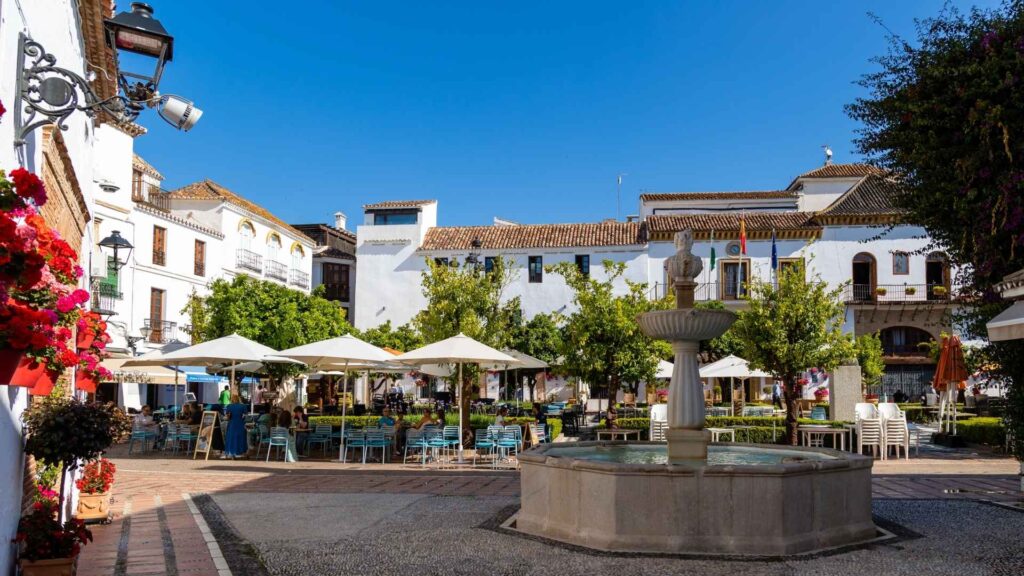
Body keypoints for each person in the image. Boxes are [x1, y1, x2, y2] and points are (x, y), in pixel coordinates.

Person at [222, 394, 248, 459]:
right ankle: (241, 451)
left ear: (232, 400)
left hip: (232, 423)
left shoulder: (229, 406)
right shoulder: (243, 406)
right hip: (240, 423)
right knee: (241, 437)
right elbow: (246, 415)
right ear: (238, 399)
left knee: (231, 437)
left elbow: (227, 416)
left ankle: (231, 452)